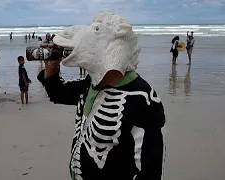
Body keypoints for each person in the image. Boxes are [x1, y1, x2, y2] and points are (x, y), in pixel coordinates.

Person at [37, 12, 165, 180]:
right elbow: (58, 93)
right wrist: (52, 66)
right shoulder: (90, 85)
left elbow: (150, 170)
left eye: (96, 30)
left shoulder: (142, 98)